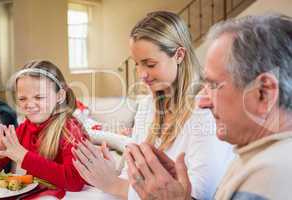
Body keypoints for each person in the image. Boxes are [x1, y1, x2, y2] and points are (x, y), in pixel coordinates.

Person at [126, 13, 292, 200]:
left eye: (214, 85)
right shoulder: (251, 158)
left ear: (264, 93)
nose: (202, 101)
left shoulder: (269, 177)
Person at [72, 11, 233, 200]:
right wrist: (109, 174)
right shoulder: (148, 104)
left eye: (150, 64)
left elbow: (198, 195)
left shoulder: (206, 109)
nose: (141, 74)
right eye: (137, 64)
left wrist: (112, 184)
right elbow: (130, 176)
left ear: (179, 55)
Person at [0, 60, 86, 192]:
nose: (29, 105)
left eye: (39, 97)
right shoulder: (24, 129)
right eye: (22, 99)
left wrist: (23, 156)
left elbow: (75, 181)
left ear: (60, 96)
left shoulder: (70, 130)